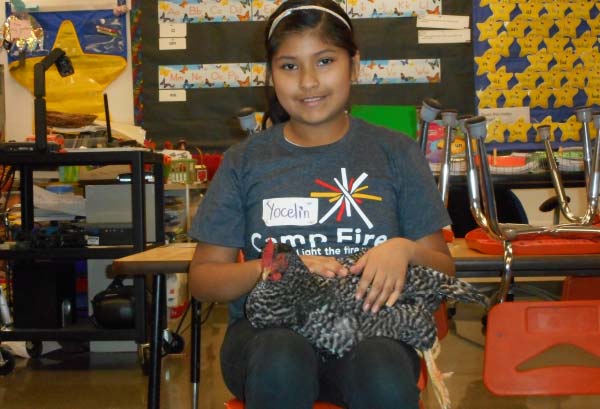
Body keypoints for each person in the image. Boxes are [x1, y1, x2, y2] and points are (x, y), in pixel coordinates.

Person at [188, 0, 455, 408]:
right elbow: (203, 279)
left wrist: (405, 250)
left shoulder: (395, 153)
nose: (308, 82)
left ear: (355, 64)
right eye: (290, 66)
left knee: (382, 370)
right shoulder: (246, 160)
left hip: (369, 331)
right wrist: (276, 268)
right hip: (265, 339)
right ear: (271, 74)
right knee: (282, 357)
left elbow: (444, 266)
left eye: (325, 60)